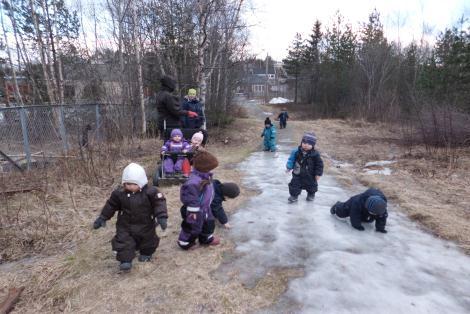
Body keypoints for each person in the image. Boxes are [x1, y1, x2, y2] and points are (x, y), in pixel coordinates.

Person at [92, 163, 168, 271]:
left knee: (148, 240)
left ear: (141, 182)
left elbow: (159, 203)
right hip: (125, 224)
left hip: (145, 223)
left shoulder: (150, 192)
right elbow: (111, 206)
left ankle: (146, 254)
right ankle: (125, 260)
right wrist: (103, 217)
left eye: (133, 184)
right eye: (127, 183)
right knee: (123, 241)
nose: (130, 186)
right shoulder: (119, 194)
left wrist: (161, 216)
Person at [178, 149, 220, 250]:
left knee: (209, 223)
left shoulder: (206, 176)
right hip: (195, 211)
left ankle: (206, 238)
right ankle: (185, 242)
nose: (211, 170)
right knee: (193, 227)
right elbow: (191, 198)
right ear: (204, 167)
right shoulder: (193, 182)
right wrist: (193, 212)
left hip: (205, 208)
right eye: (210, 168)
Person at [286, 132, 323, 203]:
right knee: (294, 185)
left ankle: (311, 194)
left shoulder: (315, 154)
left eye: (309, 144)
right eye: (304, 143)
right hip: (298, 173)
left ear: (313, 145)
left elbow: (319, 165)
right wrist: (289, 167)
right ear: (301, 142)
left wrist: (318, 174)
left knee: (312, 186)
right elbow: (291, 159)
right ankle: (294, 196)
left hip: (310, 175)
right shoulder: (296, 151)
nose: (306, 145)